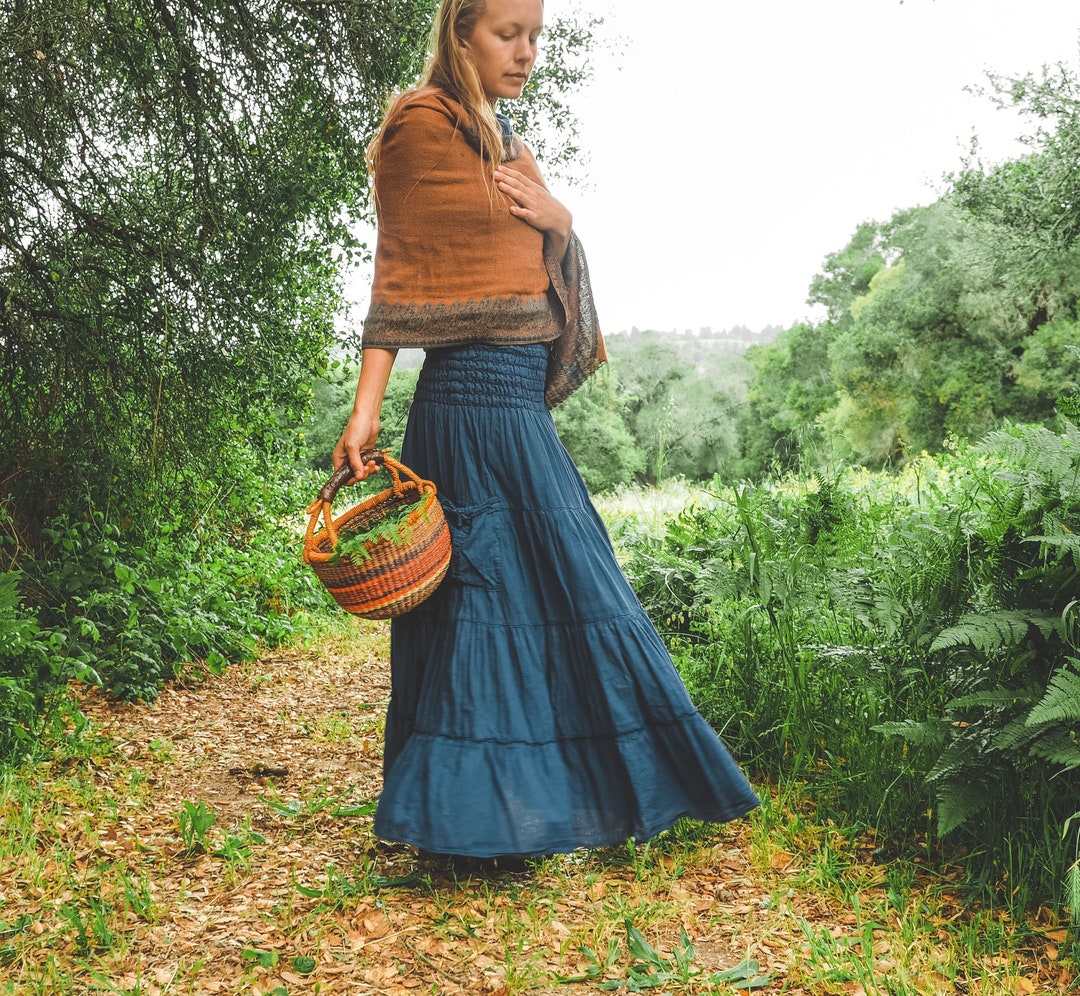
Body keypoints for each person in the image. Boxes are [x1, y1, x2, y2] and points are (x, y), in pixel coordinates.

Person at [333, 0, 758, 861]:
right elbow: (401, 271)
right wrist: (366, 409)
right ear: (459, 34)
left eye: (536, 36)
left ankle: (563, 797)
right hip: (463, 402)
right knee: (482, 605)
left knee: (571, 586)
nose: (526, 52)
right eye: (507, 34)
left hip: (519, 403)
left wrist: (563, 224)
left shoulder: (508, 139)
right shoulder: (421, 125)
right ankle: (462, 823)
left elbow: (543, 260)